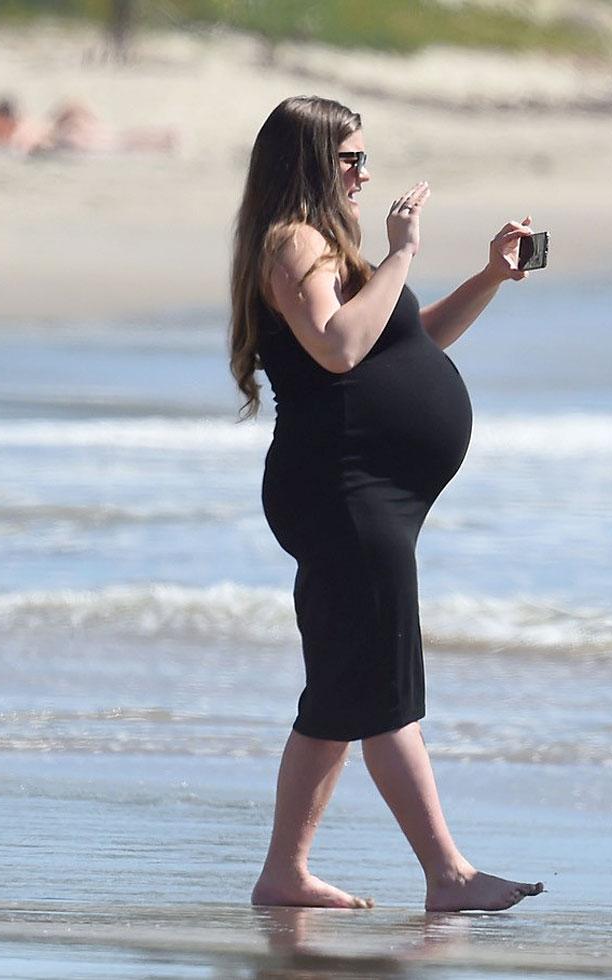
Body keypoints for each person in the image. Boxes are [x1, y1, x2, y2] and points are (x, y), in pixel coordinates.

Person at [228, 95, 544, 912]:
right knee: (381, 687)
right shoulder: (293, 244)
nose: (365, 173)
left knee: (341, 691)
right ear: (309, 164)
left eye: (365, 158)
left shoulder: (333, 248)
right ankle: (449, 875)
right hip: (342, 490)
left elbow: (409, 341)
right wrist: (403, 253)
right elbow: (337, 349)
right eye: (350, 159)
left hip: (367, 492)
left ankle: (285, 873)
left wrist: (489, 277)